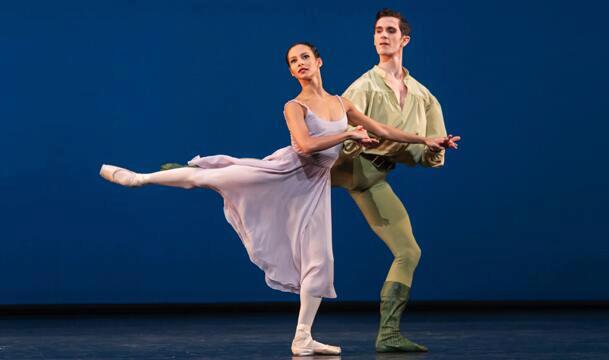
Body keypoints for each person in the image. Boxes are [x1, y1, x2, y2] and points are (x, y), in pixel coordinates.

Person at [99, 42, 451, 356]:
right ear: (291, 71)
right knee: (211, 177)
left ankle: (302, 338)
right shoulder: (294, 106)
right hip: (283, 171)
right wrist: (347, 133)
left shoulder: (341, 103)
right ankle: (138, 179)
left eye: (305, 58)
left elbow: (385, 130)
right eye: (293, 61)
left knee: (321, 263)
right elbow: (304, 146)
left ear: (319, 62)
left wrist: (426, 141)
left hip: (312, 188)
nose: (299, 63)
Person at [331, 8, 460, 353]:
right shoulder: (363, 86)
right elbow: (337, 130)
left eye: (390, 30)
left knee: (408, 251)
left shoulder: (423, 97)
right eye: (377, 30)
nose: (382, 35)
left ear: (404, 39)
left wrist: (436, 146)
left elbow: (428, 155)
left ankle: (388, 333)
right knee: (273, 173)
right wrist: (355, 138)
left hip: (373, 177)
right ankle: (198, 171)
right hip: (337, 166)